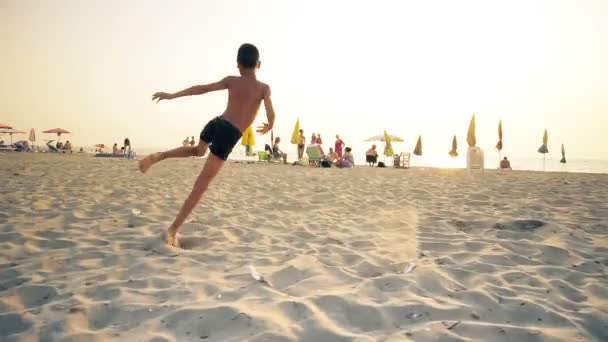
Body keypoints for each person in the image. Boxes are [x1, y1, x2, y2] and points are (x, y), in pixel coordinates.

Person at [139, 43, 275, 247]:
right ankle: (173, 229)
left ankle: (160, 156)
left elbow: (201, 89)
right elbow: (271, 111)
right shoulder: (264, 88)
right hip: (230, 134)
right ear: (259, 64)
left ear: (238, 64)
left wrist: (171, 95)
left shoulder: (231, 80)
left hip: (217, 123)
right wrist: (270, 125)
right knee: (200, 186)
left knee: (198, 150)